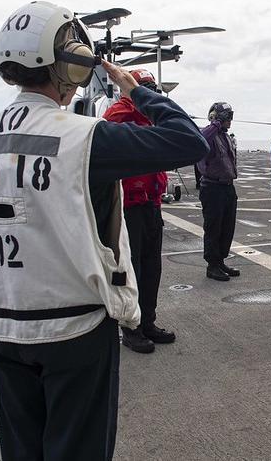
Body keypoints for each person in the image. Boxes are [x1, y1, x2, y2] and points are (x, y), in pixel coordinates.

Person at [0, 1, 209, 460]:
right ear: (69, 62)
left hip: (1, 332)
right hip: (74, 332)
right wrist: (138, 89)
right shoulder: (84, 138)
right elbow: (188, 140)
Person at [103, 68, 176, 354]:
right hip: (129, 207)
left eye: (151, 87)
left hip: (151, 203)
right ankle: (130, 327)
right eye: (144, 86)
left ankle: (148, 320)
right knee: (131, 269)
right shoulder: (117, 115)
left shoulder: (153, 116)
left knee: (151, 266)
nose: (150, 91)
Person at [198, 102, 240, 281]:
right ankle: (212, 265)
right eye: (226, 117)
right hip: (212, 187)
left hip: (227, 187)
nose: (229, 120)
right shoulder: (209, 133)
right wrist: (215, 123)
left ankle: (221, 260)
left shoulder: (225, 137)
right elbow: (200, 140)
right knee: (213, 227)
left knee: (227, 227)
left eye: (230, 117)